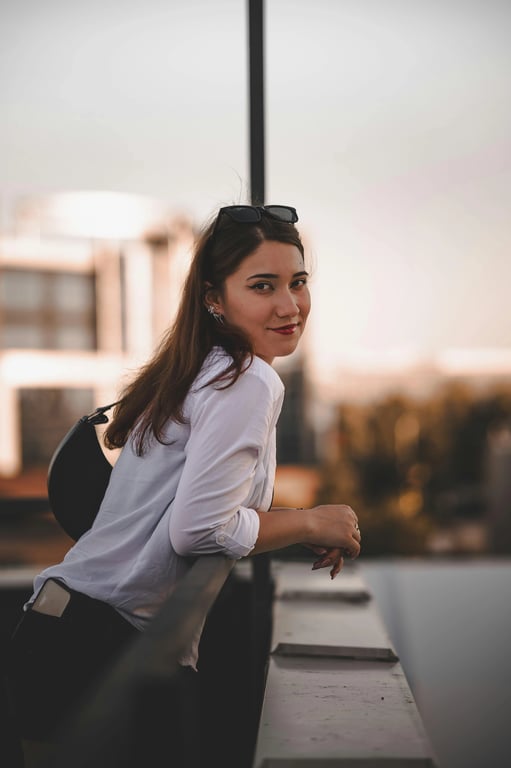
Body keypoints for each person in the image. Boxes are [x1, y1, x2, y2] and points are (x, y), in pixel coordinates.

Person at [6, 203, 361, 763]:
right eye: (263, 286)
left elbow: (200, 508)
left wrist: (290, 525)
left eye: (298, 283)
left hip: (60, 631)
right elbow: (198, 529)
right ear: (214, 298)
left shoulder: (198, 370)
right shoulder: (247, 381)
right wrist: (311, 521)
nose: (289, 306)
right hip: (101, 647)